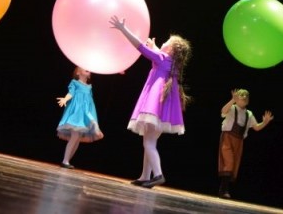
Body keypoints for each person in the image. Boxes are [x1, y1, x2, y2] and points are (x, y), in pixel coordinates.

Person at [109, 15, 192, 188]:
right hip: (164, 110)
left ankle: (158, 174)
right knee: (149, 141)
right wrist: (155, 48)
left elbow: (139, 46)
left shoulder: (162, 58)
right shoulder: (171, 63)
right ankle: (145, 176)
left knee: (149, 142)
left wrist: (123, 29)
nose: (163, 42)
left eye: (166, 42)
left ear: (170, 49)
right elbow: (160, 57)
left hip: (155, 106)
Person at [218, 88, 273, 199]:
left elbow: (256, 127)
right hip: (228, 138)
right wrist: (232, 101)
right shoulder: (232, 108)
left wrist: (265, 122)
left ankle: (223, 189)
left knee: (233, 165)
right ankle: (224, 190)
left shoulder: (249, 114)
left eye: (246, 96)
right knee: (229, 162)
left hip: (239, 141)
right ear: (236, 98)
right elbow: (223, 111)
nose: (244, 97)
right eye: (241, 95)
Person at [56, 65, 104, 169]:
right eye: (83, 67)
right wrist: (65, 99)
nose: (87, 68)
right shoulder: (75, 83)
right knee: (75, 136)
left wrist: (91, 118)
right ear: (78, 73)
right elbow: (71, 93)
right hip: (76, 114)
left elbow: (90, 103)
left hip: (84, 114)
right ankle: (65, 161)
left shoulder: (89, 87)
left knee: (77, 138)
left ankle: (67, 160)